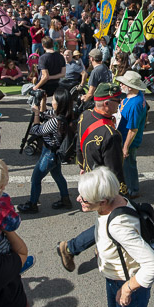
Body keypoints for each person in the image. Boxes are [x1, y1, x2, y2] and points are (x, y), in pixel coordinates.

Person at [77, 166, 154, 307]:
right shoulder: (116, 200)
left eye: (84, 198)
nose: (79, 200)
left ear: (103, 201)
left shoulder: (118, 227)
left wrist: (126, 289)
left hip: (126, 284)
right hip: (114, 279)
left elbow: (153, 265)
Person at [57, 83, 125, 272]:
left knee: (104, 220)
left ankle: (90, 246)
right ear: (106, 104)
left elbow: (79, 143)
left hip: (88, 175)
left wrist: (81, 166)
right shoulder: (111, 134)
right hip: (103, 185)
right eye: (117, 101)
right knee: (108, 220)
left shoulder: (85, 115)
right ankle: (71, 247)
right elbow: (115, 172)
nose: (119, 103)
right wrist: (122, 194)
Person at [17, 88, 75, 213]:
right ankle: (65, 200)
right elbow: (46, 113)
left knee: (36, 179)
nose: (51, 101)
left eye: (53, 99)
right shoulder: (65, 115)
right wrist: (42, 101)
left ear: (59, 103)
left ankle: (32, 204)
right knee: (58, 176)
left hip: (49, 154)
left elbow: (36, 130)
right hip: (55, 153)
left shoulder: (55, 121)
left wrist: (36, 114)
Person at [116, 71, 148, 199]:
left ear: (129, 86)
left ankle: (132, 190)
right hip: (124, 137)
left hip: (128, 140)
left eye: (122, 83)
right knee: (128, 165)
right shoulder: (136, 95)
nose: (120, 84)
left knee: (129, 165)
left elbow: (133, 129)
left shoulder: (135, 104)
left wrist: (125, 147)